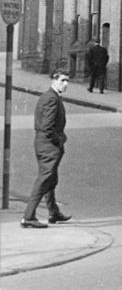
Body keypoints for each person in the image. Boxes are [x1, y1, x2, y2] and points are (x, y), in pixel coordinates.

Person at [21, 70, 73, 228]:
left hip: (44, 144)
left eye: (67, 81)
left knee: (50, 179)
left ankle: (53, 212)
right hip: (48, 146)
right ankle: (28, 216)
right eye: (63, 80)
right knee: (44, 180)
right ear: (54, 80)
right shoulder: (52, 98)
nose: (66, 84)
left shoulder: (49, 96)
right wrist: (59, 140)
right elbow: (46, 126)